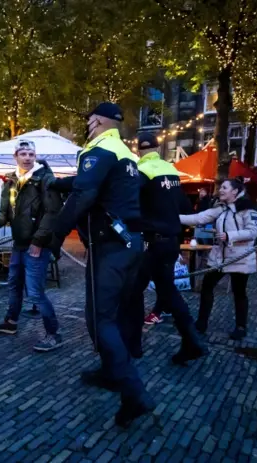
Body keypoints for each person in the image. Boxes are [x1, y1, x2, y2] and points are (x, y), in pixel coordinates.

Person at [50, 102, 155, 427]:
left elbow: (84, 196)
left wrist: (52, 236)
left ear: (95, 121)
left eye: (89, 120)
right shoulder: (125, 154)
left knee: (100, 320)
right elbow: (102, 187)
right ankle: (111, 372)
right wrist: (57, 182)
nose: (87, 125)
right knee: (116, 314)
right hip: (131, 244)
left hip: (109, 247)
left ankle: (134, 394)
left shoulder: (98, 150)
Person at [129, 133, 207, 364]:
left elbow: (129, 200)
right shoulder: (171, 170)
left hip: (153, 241)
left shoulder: (141, 171)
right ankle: (189, 341)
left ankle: (135, 345)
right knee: (157, 291)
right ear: (157, 147)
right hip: (171, 240)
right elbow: (184, 206)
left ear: (139, 150)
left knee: (149, 292)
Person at [0, 139, 64, 352]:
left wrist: (38, 242)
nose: (28, 157)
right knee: (14, 285)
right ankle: (10, 323)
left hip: (35, 245)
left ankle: (53, 333)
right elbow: (4, 212)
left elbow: (52, 213)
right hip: (19, 244)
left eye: (31, 154)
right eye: (23, 153)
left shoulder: (45, 179)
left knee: (36, 292)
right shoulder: (11, 181)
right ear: (16, 156)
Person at [179, 178, 257, 340]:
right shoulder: (221, 208)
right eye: (220, 187)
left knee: (239, 292)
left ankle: (241, 326)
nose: (220, 190)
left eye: (224, 187)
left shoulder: (248, 209)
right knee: (207, 286)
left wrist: (229, 235)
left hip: (240, 258)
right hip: (220, 258)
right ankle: (201, 324)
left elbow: (253, 231)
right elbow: (199, 218)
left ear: (235, 191)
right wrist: (174, 217)